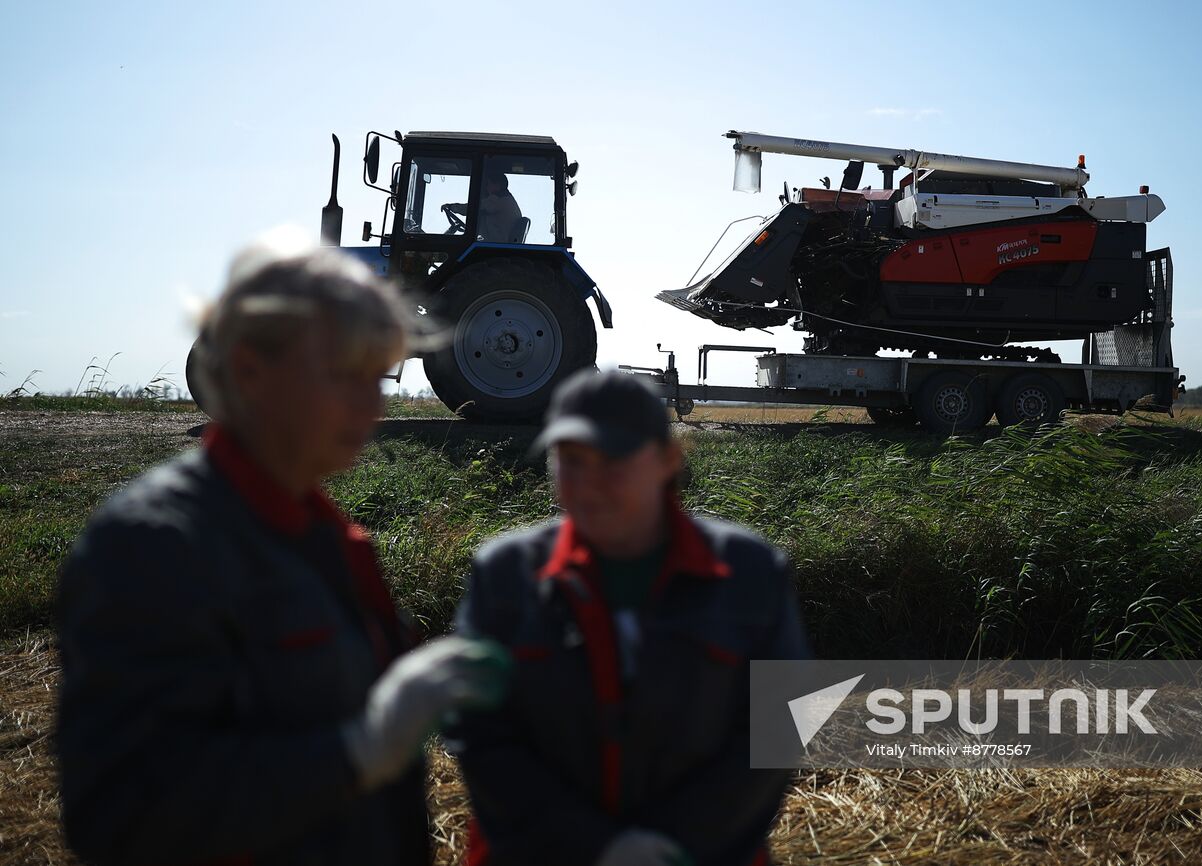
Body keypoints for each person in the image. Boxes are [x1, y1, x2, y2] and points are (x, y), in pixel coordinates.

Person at [56, 232, 511, 866]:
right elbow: (122, 816)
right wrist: (360, 749)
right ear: (248, 370)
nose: (371, 404)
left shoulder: (321, 532)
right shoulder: (154, 548)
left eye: (376, 376)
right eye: (342, 374)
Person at [447, 370, 812, 866]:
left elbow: (776, 731)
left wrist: (672, 847)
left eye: (614, 459)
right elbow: (482, 733)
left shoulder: (747, 572)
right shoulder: (507, 575)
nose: (589, 482)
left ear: (668, 459)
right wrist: (597, 847)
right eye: (571, 461)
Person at [476, 171, 523, 242]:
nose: (486, 187)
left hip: (495, 244)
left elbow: (472, 208)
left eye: (488, 184)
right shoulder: (508, 199)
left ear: (497, 185)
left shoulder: (497, 200)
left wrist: (454, 207)